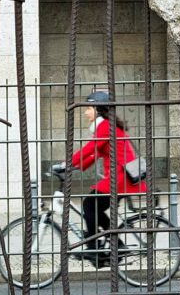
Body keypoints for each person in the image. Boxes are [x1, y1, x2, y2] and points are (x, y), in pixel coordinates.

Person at [53, 90, 144, 267]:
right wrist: (75, 166)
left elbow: (90, 149)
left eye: (88, 108)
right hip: (118, 177)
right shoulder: (105, 126)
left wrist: (65, 164)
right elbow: (94, 154)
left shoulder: (105, 126)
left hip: (120, 177)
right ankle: (115, 246)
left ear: (97, 108)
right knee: (94, 207)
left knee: (89, 204)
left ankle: (94, 247)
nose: (86, 112)